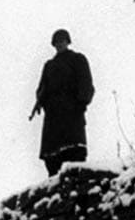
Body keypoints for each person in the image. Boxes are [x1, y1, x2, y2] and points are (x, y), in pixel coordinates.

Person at [31, 29, 94, 176]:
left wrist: (81, 104)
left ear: (67, 42)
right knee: (53, 159)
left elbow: (86, 84)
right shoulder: (49, 66)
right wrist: (40, 102)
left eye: (62, 41)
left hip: (72, 114)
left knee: (74, 155)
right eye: (57, 42)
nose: (59, 44)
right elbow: (42, 88)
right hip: (53, 118)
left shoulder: (78, 59)